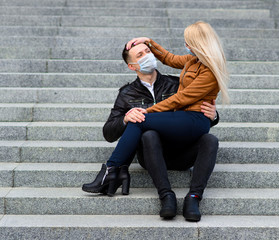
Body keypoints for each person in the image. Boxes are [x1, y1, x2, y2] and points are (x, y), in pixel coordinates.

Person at [82, 21, 229, 222]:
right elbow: (108, 133)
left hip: (185, 141)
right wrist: (150, 42)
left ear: (197, 44)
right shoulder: (127, 94)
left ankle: (192, 197)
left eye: (147, 52)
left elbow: (182, 100)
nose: (147, 56)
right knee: (145, 129)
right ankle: (165, 195)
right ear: (131, 66)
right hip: (152, 149)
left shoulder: (184, 79)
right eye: (141, 54)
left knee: (209, 140)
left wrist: (214, 115)